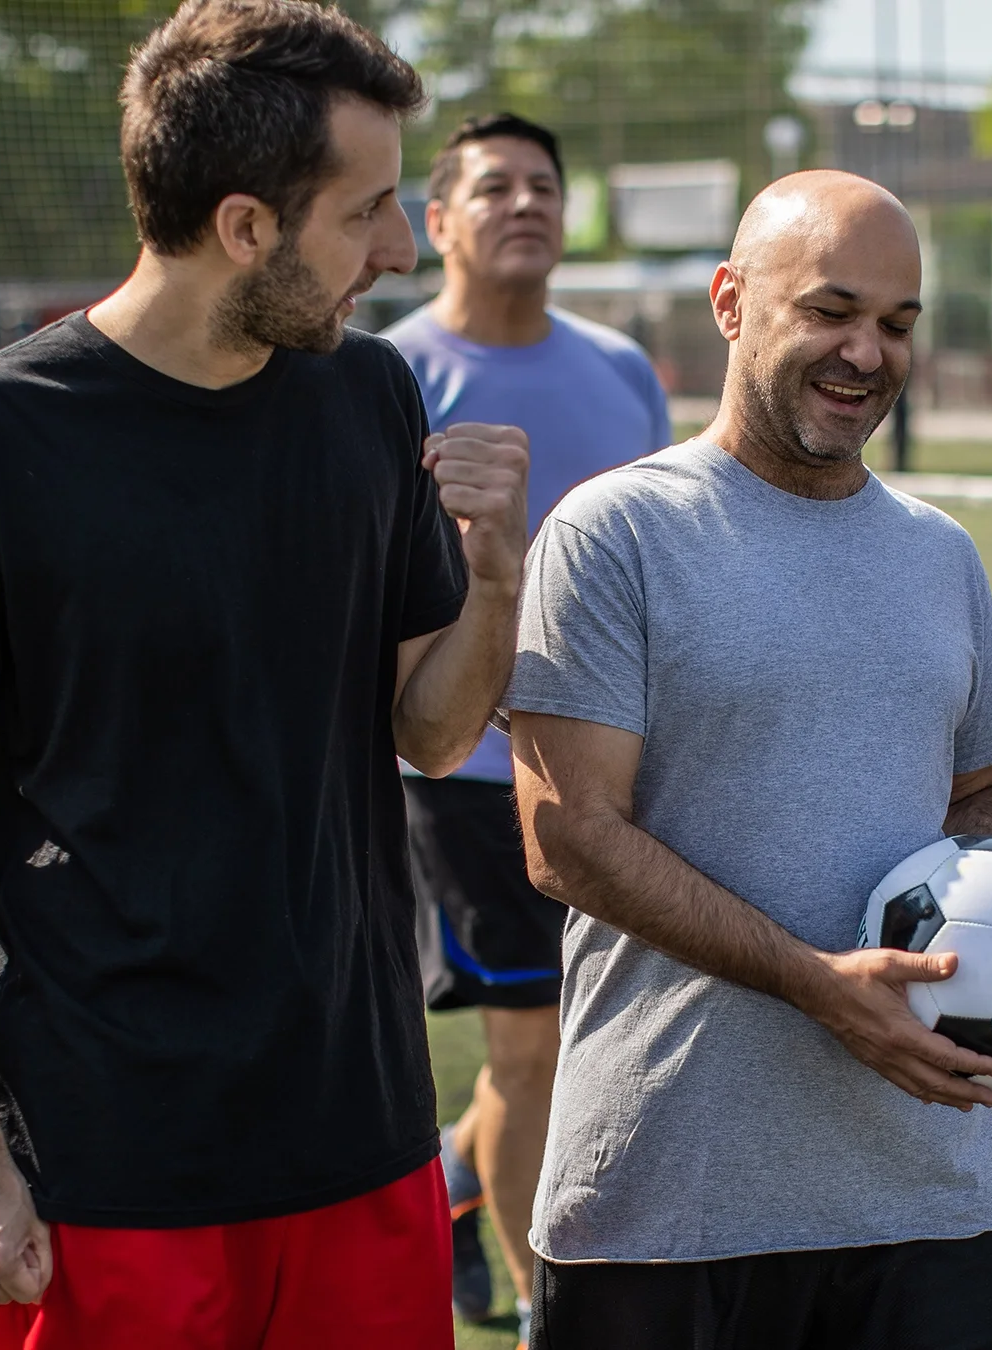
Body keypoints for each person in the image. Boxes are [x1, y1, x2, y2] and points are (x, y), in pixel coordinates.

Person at [0, 3, 529, 1345]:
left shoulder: (369, 395)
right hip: (114, 1158)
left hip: (361, 1134)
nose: (399, 248)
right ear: (247, 226)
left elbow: (430, 736)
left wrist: (496, 579)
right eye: (368, 211)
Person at [499, 170, 992, 1350]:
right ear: (732, 302)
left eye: (897, 324)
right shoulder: (614, 532)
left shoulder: (938, 554)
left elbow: (974, 796)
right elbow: (568, 838)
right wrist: (814, 984)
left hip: (929, 1190)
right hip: (666, 1196)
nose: (867, 352)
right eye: (831, 311)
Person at [378, 113, 673, 1338]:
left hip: (619, 769)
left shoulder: (621, 370)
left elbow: (662, 560)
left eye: (544, 185)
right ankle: (549, 1306)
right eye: (493, 187)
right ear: (437, 222)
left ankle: (457, 1171)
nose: (524, 204)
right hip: (468, 775)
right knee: (531, 1053)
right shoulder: (389, 376)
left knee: (617, 1039)